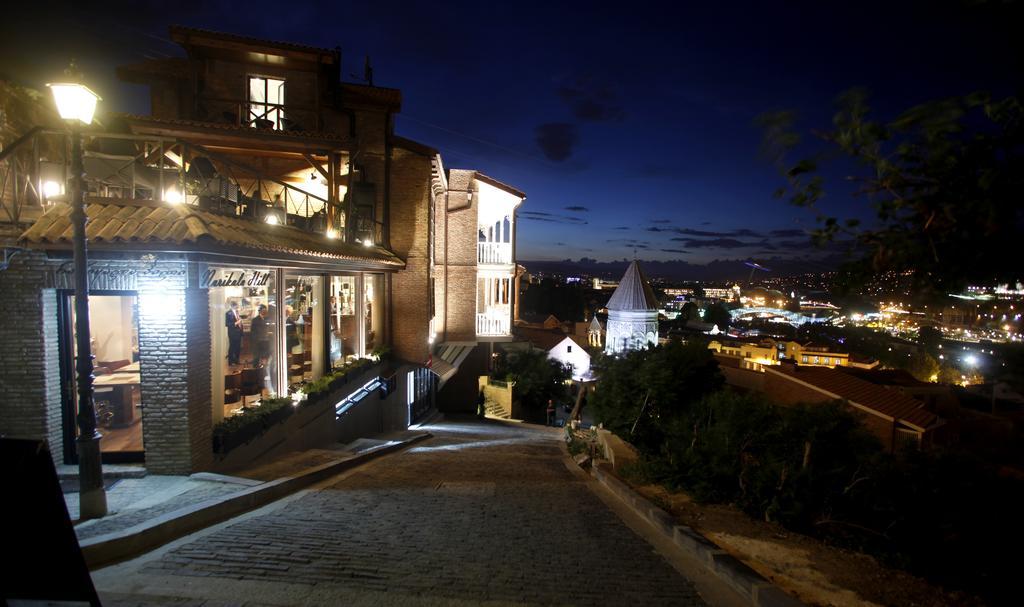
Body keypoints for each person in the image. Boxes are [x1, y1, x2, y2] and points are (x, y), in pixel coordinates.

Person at [225, 301, 242, 365]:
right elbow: (227, 324)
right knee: (232, 347)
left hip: (238, 333)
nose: (237, 306)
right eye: (236, 305)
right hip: (232, 333)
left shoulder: (237, 312)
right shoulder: (228, 313)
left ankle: (237, 361)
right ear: (233, 306)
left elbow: (239, 320)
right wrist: (236, 323)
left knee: (238, 347)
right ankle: (230, 362)